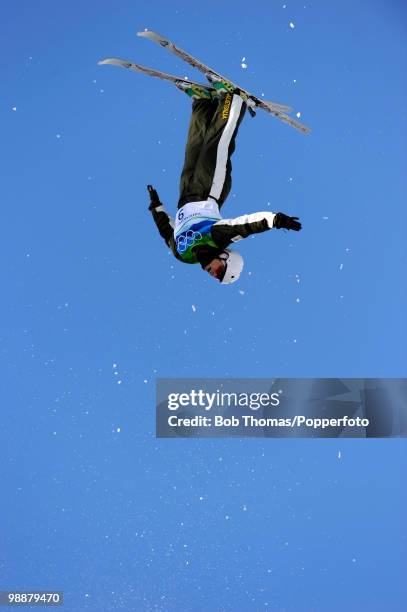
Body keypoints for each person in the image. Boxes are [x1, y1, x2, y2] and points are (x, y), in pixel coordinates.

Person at [148, 79, 302, 284]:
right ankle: (234, 100)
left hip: (185, 195)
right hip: (210, 189)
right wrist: (275, 220)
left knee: (194, 147)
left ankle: (202, 103)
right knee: (216, 144)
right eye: (220, 272)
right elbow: (245, 226)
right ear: (225, 258)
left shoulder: (183, 256)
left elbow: (168, 232)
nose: (213, 274)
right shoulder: (216, 239)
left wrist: (156, 207)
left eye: (216, 277)